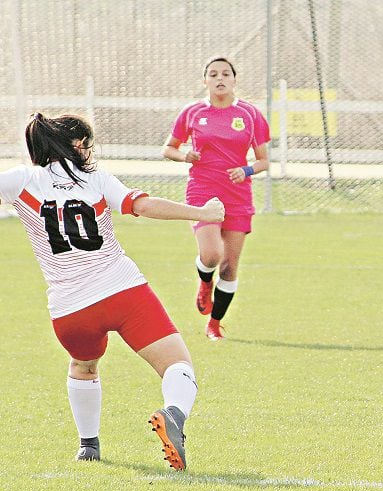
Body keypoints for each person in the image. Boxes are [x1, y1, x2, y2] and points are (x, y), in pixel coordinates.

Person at [0, 113, 225, 470]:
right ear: (76, 145)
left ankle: (88, 446)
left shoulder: (22, 180)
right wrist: (203, 212)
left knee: (83, 367)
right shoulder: (96, 180)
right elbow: (143, 205)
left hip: (71, 309)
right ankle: (175, 415)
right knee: (177, 365)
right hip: (123, 291)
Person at [162, 56, 270, 341]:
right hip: (202, 190)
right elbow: (168, 148)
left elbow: (263, 161)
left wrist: (245, 170)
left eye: (225, 73)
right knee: (211, 255)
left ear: (234, 79)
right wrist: (185, 154)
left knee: (230, 266)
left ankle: (214, 324)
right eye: (213, 74)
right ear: (205, 81)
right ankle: (204, 281)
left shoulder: (250, 114)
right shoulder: (193, 112)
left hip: (237, 195)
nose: (219, 78)